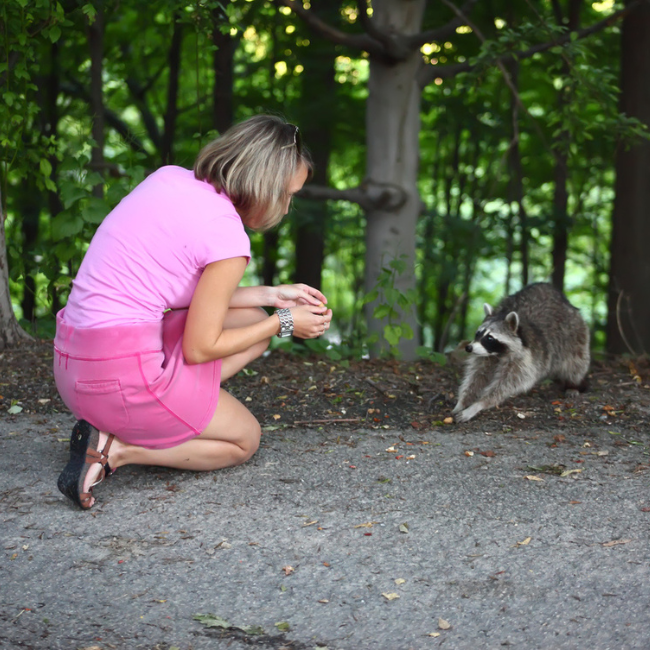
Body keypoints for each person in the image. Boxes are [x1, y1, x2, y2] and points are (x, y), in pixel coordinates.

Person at [54, 114, 332, 510]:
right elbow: (200, 348)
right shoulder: (227, 235)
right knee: (244, 439)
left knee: (252, 321)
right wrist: (283, 322)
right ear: (264, 185)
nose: (287, 208)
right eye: (287, 195)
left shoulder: (168, 179)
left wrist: (272, 295)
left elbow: (180, 289)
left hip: (73, 371)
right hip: (118, 384)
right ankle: (118, 449)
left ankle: (160, 410)